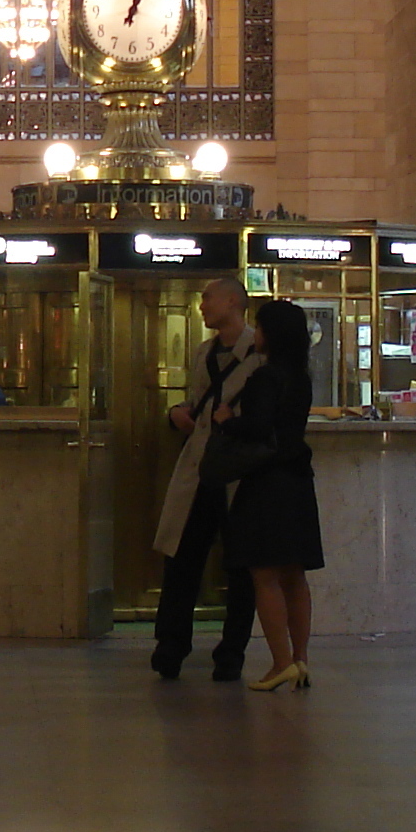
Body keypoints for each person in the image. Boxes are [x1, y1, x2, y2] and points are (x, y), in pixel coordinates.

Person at [210, 296, 323, 689]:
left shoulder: (266, 376)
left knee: (265, 576)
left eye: (259, 327)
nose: (254, 333)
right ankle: (301, 659)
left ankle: (280, 663)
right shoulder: (302, 378)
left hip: (266, 485)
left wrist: (227, 420)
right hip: (298, 481)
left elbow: (257, 428)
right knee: (295, 575)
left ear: (271, 334)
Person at [150, 277, 258, 682]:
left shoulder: (257, 354)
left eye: (207, 298)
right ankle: (171, 646)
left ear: (233, 301)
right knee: (181, 558)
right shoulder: (203, 353)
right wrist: (179, 412)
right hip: (199, 469)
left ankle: (232, 653)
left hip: (236, 472)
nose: (202, 306)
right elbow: (197, 401)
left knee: (240, 566)